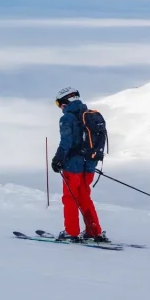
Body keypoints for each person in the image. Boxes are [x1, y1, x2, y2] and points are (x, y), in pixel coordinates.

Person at [50, 87, 106, 242]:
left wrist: (57, 159)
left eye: (59, 103)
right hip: (89, 165)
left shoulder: (67, 118)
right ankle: (94, 231)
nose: (60, 107)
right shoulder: (89, 115)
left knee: (70, 198)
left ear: (65, 101)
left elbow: (66, 142)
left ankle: (71, 232)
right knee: (84, 197)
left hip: (73, 166)